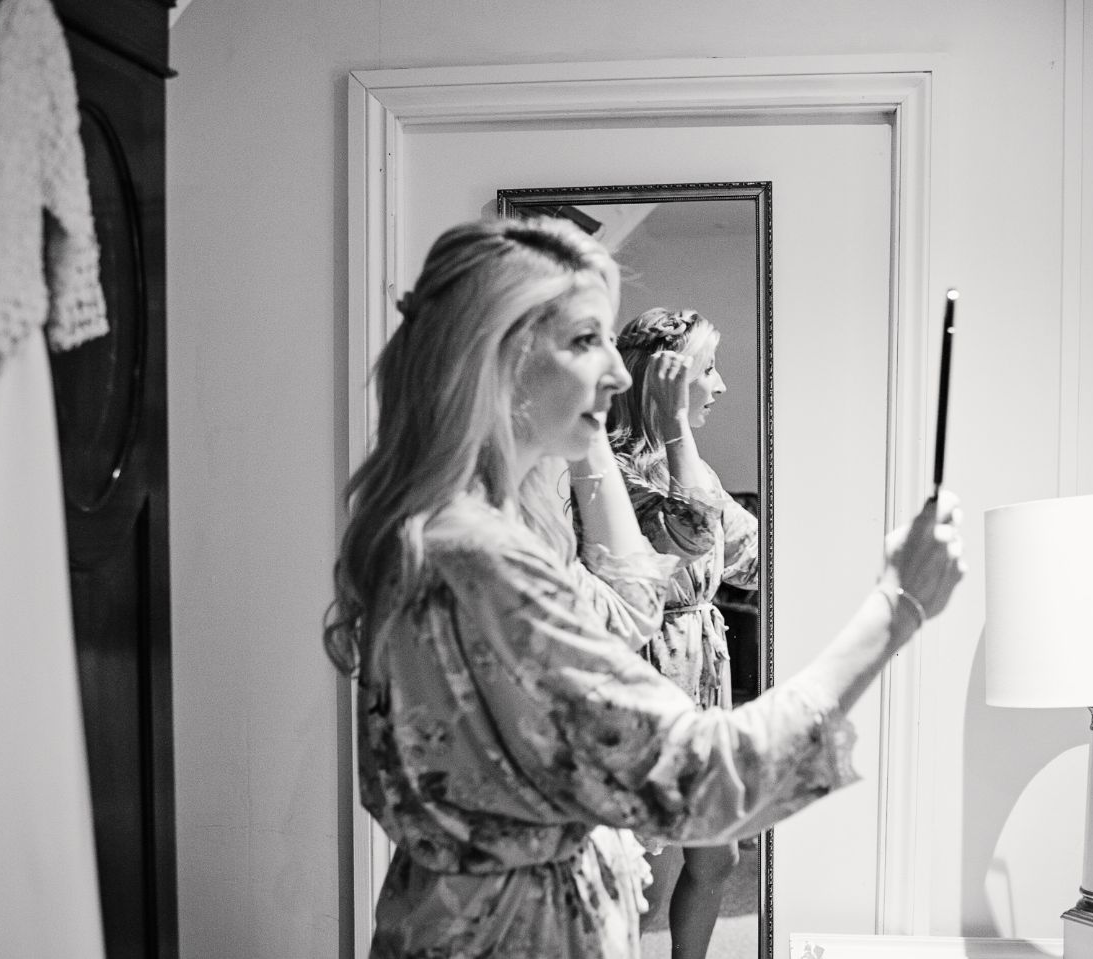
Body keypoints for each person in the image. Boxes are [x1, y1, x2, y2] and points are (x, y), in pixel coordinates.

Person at [325, 216, 965, 959]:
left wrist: (587, 425)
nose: (622, 374)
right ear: (496, 357)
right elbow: (706, 780)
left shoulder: (461, 528)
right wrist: (897, 608)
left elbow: (632, 605)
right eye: (585, 339)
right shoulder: (481, 558)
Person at [606, 307, 758, 956]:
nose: (720, 385)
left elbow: (751, 559)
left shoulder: (694, 465)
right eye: (707, 369)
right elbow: (694, 532)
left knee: (717, 854)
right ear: (663, 378)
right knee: (643, 863)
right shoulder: (611, 471)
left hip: (702, 672)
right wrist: (672, 427)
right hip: (647, 670)